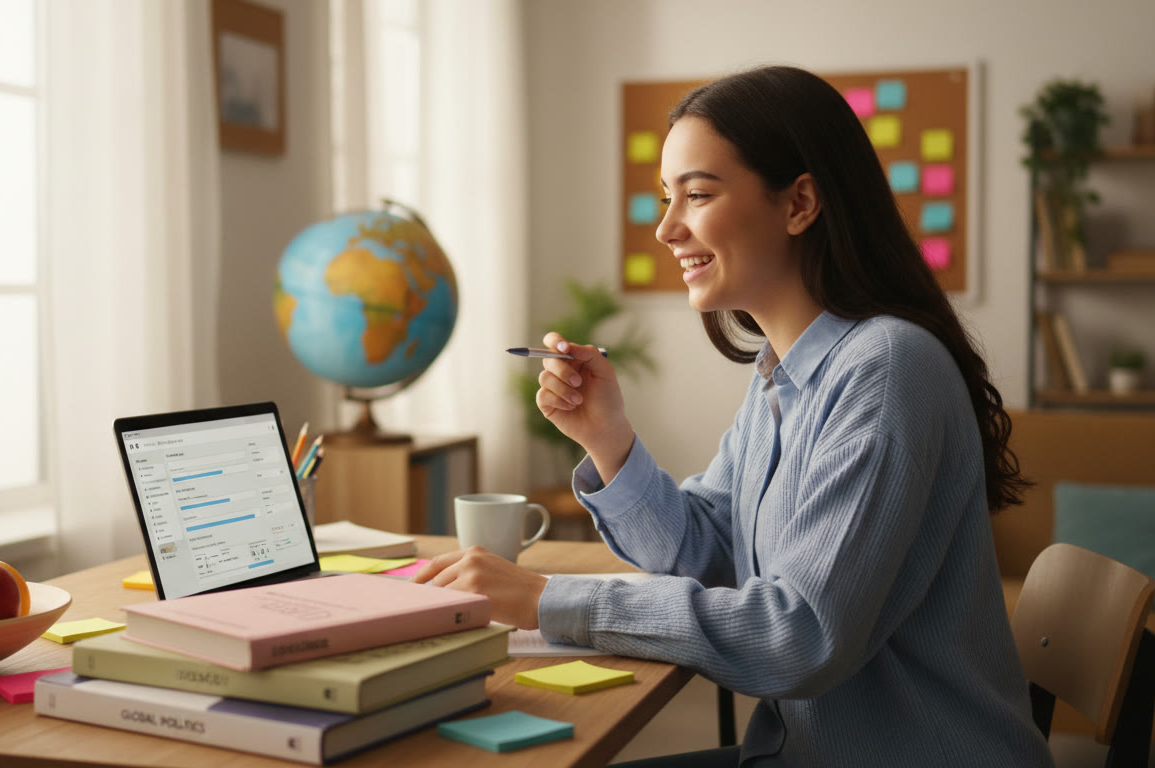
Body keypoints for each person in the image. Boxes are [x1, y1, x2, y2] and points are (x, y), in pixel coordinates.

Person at [413, 65, 1054, 767]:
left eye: (697, 194)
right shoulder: (782, 373)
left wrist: (546, 599)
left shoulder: (886, 370)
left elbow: (799, 636)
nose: (666, 228)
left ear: (799, 202)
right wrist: (608, 439)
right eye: (667, 198)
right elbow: (712, 550)